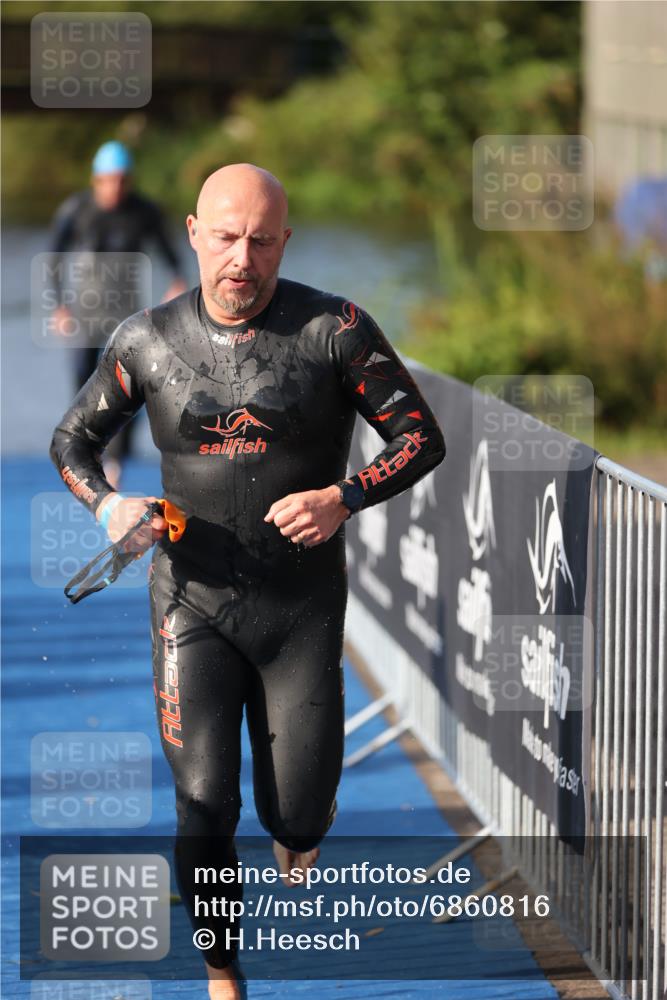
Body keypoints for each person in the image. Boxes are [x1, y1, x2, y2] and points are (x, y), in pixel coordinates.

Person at [50, 163, 446, 999]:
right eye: (226, 237)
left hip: (299, 611)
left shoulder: (334, 331)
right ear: (193, 233)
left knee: (295, 817)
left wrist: (345, 495)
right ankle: (222, 971)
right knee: (202, 806)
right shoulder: (144, 342)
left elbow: (419, 437)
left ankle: (301, 824)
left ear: (283, 242)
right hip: (188, 605)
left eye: (261, 241)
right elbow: (72, 446)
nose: (242, 258)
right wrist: (109, 508)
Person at [48, 140, 188, 486]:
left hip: (125, 312)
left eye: (123, 180)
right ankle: (84, 450)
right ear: (97, 180)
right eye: (109, 180)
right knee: (83, 382)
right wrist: (59, 305)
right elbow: (54, 257)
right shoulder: (77, 209)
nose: (116, 188)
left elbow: (171, 251)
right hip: (85, 309)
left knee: (128, 383)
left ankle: (116, 462)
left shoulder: (143, 211)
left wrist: (177, 281)